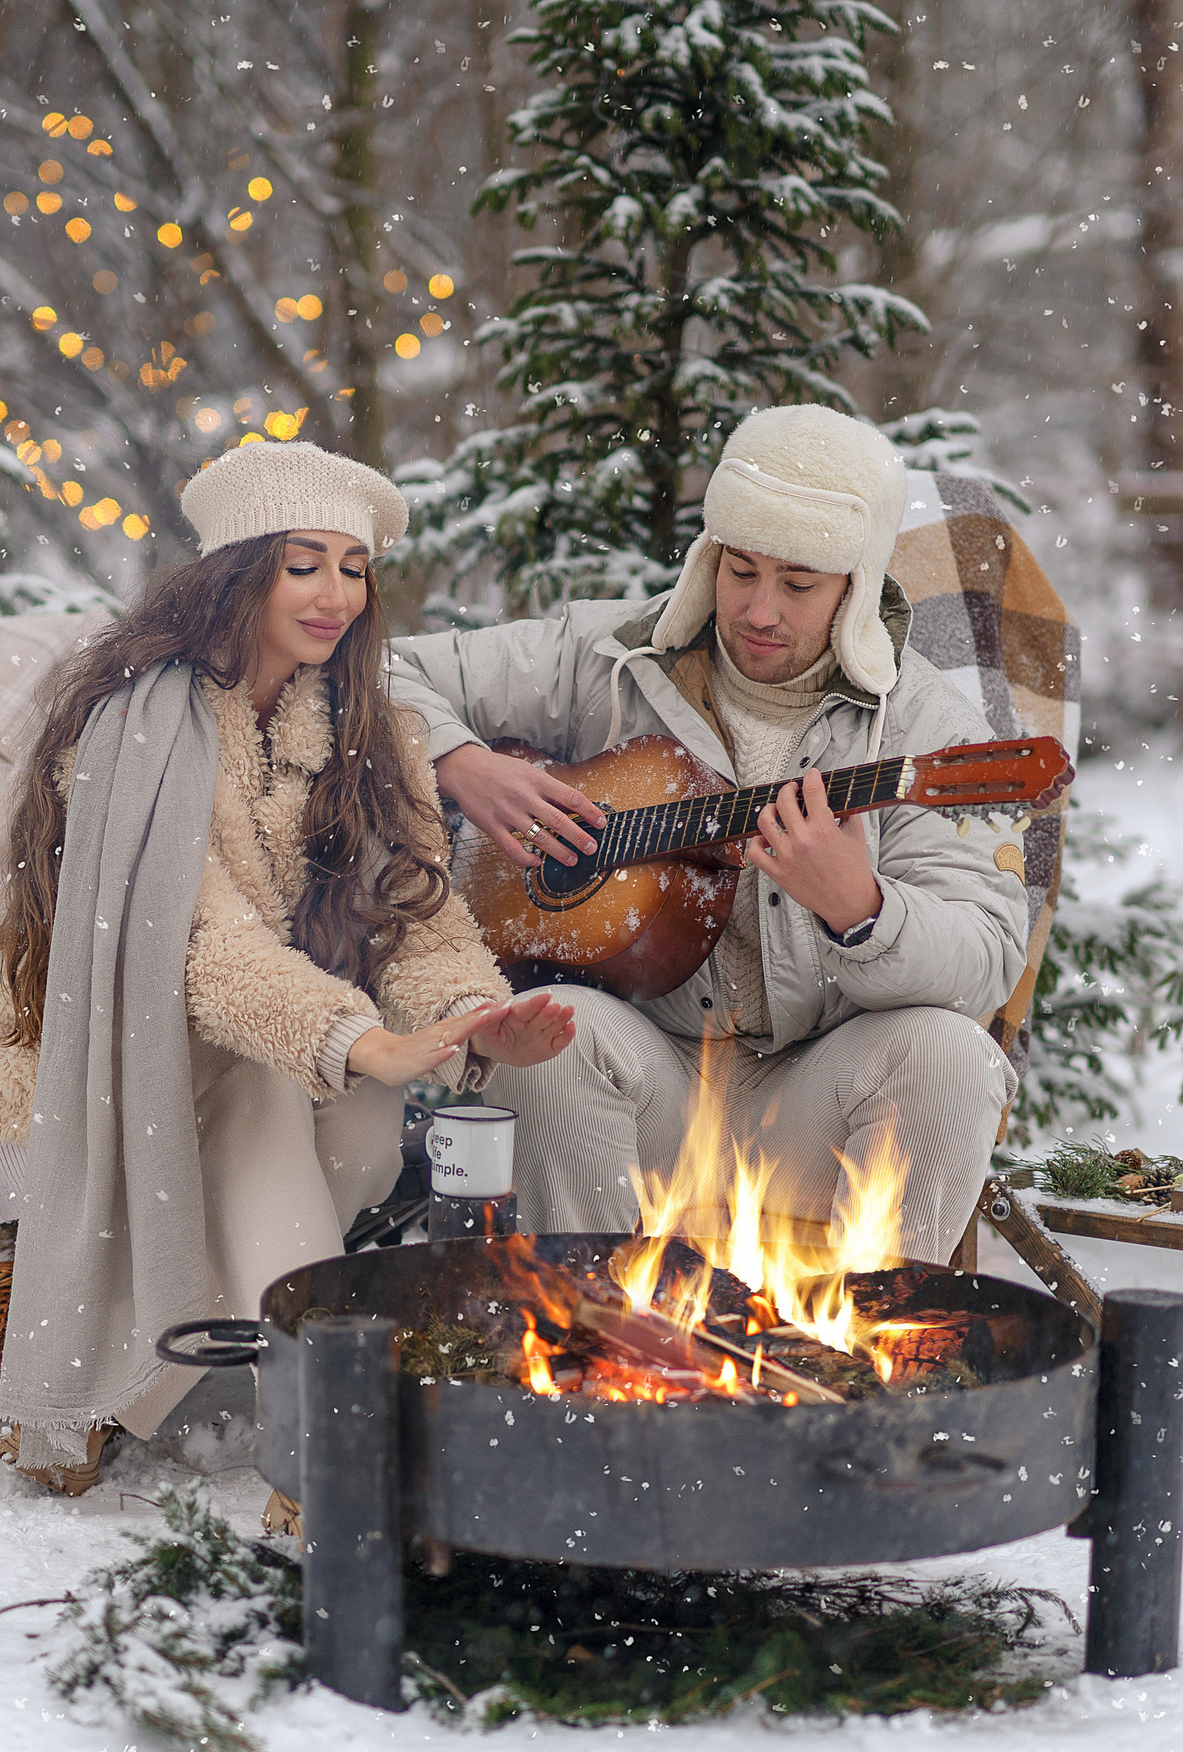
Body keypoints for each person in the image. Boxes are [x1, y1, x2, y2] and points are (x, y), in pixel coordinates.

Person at [0, 441, 575, 1496]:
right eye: (303, 564)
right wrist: (356, 1038)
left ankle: (131, 1386)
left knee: (365, 1119)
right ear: (237, 572)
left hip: (279, 1035)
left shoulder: (373, 730)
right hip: (95, 1052)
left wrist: (476, 1017)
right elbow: (203, 951)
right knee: (268, 1089)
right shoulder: (135, 728)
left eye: (353, 567)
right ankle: (332, 1439)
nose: (336, 595)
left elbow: (420, 927)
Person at [387, 404, 1029, 1262]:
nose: (760, 610)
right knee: (554, 1035)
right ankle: (585, 1320)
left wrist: (864, 911)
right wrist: (461, 759)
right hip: (651, 1079)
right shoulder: (610, 658)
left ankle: (879, 1334)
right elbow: (380, 668)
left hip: (818, 1098)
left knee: (952, 1057)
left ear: (856, 584)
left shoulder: (929, 730)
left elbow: (987, 954)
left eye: (799, 584)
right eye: (740, 570)